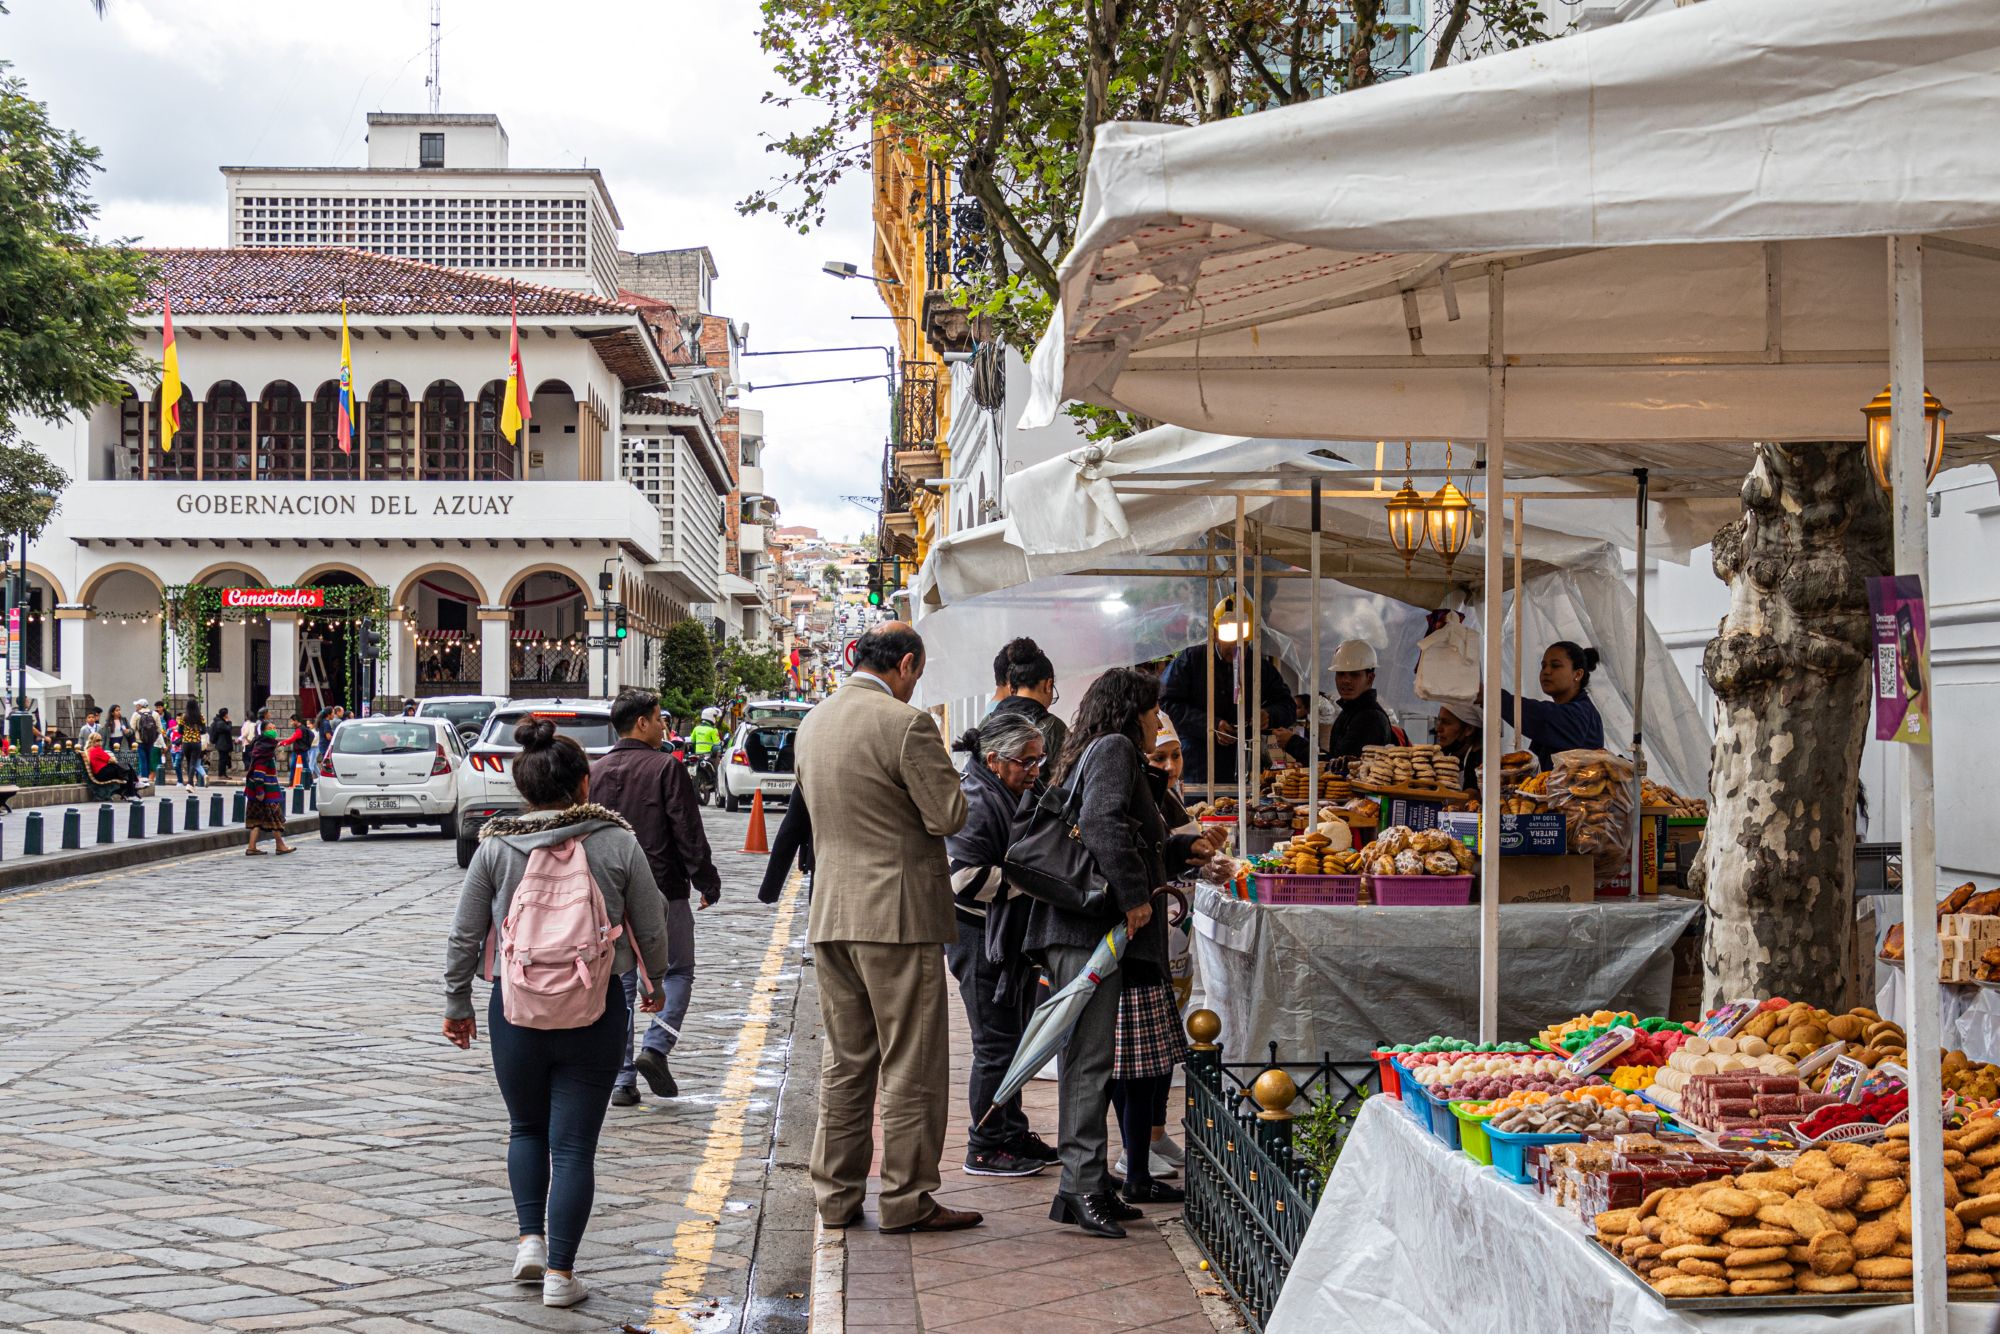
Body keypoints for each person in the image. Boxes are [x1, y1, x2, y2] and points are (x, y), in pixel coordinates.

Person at [442, 718, 671, 1310]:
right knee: (573, 1149)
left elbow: (466, 934)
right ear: (583, 782)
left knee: (525, 1129)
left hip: (514, 1009)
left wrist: (457, 1002)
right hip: (595, 1009)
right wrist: (653, 983)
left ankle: (529, 1243)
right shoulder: (616, 840)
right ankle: (562, 1276)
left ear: (523, 785)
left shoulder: (496, 844)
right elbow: (652, 923)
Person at [792, 622, 977, 1236]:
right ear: (904, 664)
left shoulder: (814, 722)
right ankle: (907, 1197)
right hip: (897, 916)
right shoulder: (907, 725)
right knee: (912, 1063)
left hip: (832, 913)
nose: (914, 685)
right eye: (917, 675)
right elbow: (949, 814)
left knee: (847, 1062)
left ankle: (836, 1196)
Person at [1033, 668, 1220, 1238]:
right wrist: (1136, 900)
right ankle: (1080, 1187)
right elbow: (1102, 823)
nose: (1157, 721)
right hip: (1088, 926)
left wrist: (1182, 846)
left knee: (1092, 1060)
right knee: (1089, 1061)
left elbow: (1137, 832)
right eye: (1152, 710)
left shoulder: (1091, 747)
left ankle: (1085, 1182)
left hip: (1081, 927)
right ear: (1130, 711)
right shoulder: (1112, 747)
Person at [590, 687, 721, 1107]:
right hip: (664, 888)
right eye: (660, 717)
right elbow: (687, 830)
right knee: (678, 971)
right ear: (642, 722)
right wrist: (706, 880)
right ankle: (656, 1046)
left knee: (624, 983)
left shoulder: (595, 771)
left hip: (610, 897)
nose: (665, 724)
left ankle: (622, 1080)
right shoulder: (666, 768)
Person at [945, 712, 1058, 1179]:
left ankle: (1009, 1128)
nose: (1034, 770)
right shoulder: (975, 798)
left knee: (1011, 1042)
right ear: (994, 760)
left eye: (1038, 760)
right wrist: (1030, 882)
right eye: (1026, 762)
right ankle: (985, 1145)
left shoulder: (1003, 790)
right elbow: (963, 879)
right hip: (977, 937)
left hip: (1000, 936)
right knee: (994, 1045)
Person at [1158, 615, 1297, 785]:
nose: (1236, 649)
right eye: (1230, 642)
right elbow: (1165, 703)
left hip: (1246, 761)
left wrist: (1269, 715)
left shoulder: (1258, 666)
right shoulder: (1191, 660)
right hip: (1198, 761)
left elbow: (1288, 705)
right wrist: (1210, 725)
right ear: (1215, 634)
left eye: (1243, 643)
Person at [1501, 641, 1606, 771]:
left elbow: (1542, 716)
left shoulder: (1580, 713)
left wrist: (1497, 699)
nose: (1546, 671)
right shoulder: (1562, 712)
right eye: (1543, 666)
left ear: (1578, 674)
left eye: (1555, 666)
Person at [988, 637, 1070, 761]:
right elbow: (1068, 777)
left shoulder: (988, 721)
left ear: (1011, 688)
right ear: (1048, 685)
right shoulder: (1053, 728)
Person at [1324, 639, 1399, 760]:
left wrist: (1293, 743)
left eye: (1354, 674)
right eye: (1341, 673)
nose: (1346, 680)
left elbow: (1342, 764)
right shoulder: (1350, 711)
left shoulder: (1370, 718)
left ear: (1370, 678)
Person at [241, 721, 296, 856]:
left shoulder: (264, 746)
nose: (273, 730)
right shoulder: (264, 748)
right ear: (264, 731)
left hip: (258, 790)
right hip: (265, 791)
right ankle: (280, 846)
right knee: (274, 818)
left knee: (257, 820)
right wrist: (260, 790)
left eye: (274, 728)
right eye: (270, 728)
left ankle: (252, 847)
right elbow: (259, 772)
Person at [1435, 700, 1483, 786]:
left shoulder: (1479, 759)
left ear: (1469, 729)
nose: (1438, 729)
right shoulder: (1439, 756)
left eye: (1446, 722)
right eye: (1438, 720)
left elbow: (1473, 794)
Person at [83, 733, 140, 799]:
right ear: (92, 741)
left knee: (126, 768)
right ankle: (132, 790)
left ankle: (128, 789)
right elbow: (112, 760)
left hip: (100, 774)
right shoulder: (96, 750)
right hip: (102, 773)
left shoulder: (90, 750)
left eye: (101, 740)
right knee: (126, 769)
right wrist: (111, 761)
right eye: (97, 740)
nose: (100, 742)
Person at [179, 707, 209, 787]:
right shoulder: (200, 716)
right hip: (196, 742)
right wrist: (197, 731)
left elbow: (179, 730)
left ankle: (190, 783)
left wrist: (186, 732)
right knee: (193, 763)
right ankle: (190, 783)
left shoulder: (184, 716)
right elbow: (204, 730)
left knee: (189, 762)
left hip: (186, 742)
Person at [134, 700, 162, 783]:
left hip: (140, 741)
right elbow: (160, 729)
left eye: (137, 705)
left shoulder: (136, 715)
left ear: (140, 706)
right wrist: (153, 737)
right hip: (151, 741)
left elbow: (132, 729)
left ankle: (144, 778)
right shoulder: (155, 714)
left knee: (142, 759)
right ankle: (148, 778)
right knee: (148, 759)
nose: (136, 707)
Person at [209, 708, 236, 781]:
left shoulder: (220, 722)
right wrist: (229, 722)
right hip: (222, 744)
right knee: (222, 760)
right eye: (227, 714)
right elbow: (228, 729)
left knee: (224, 759)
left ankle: (223, 774)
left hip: (223, 744)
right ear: (225, 715)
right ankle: (221, 774)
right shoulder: (220, 723)